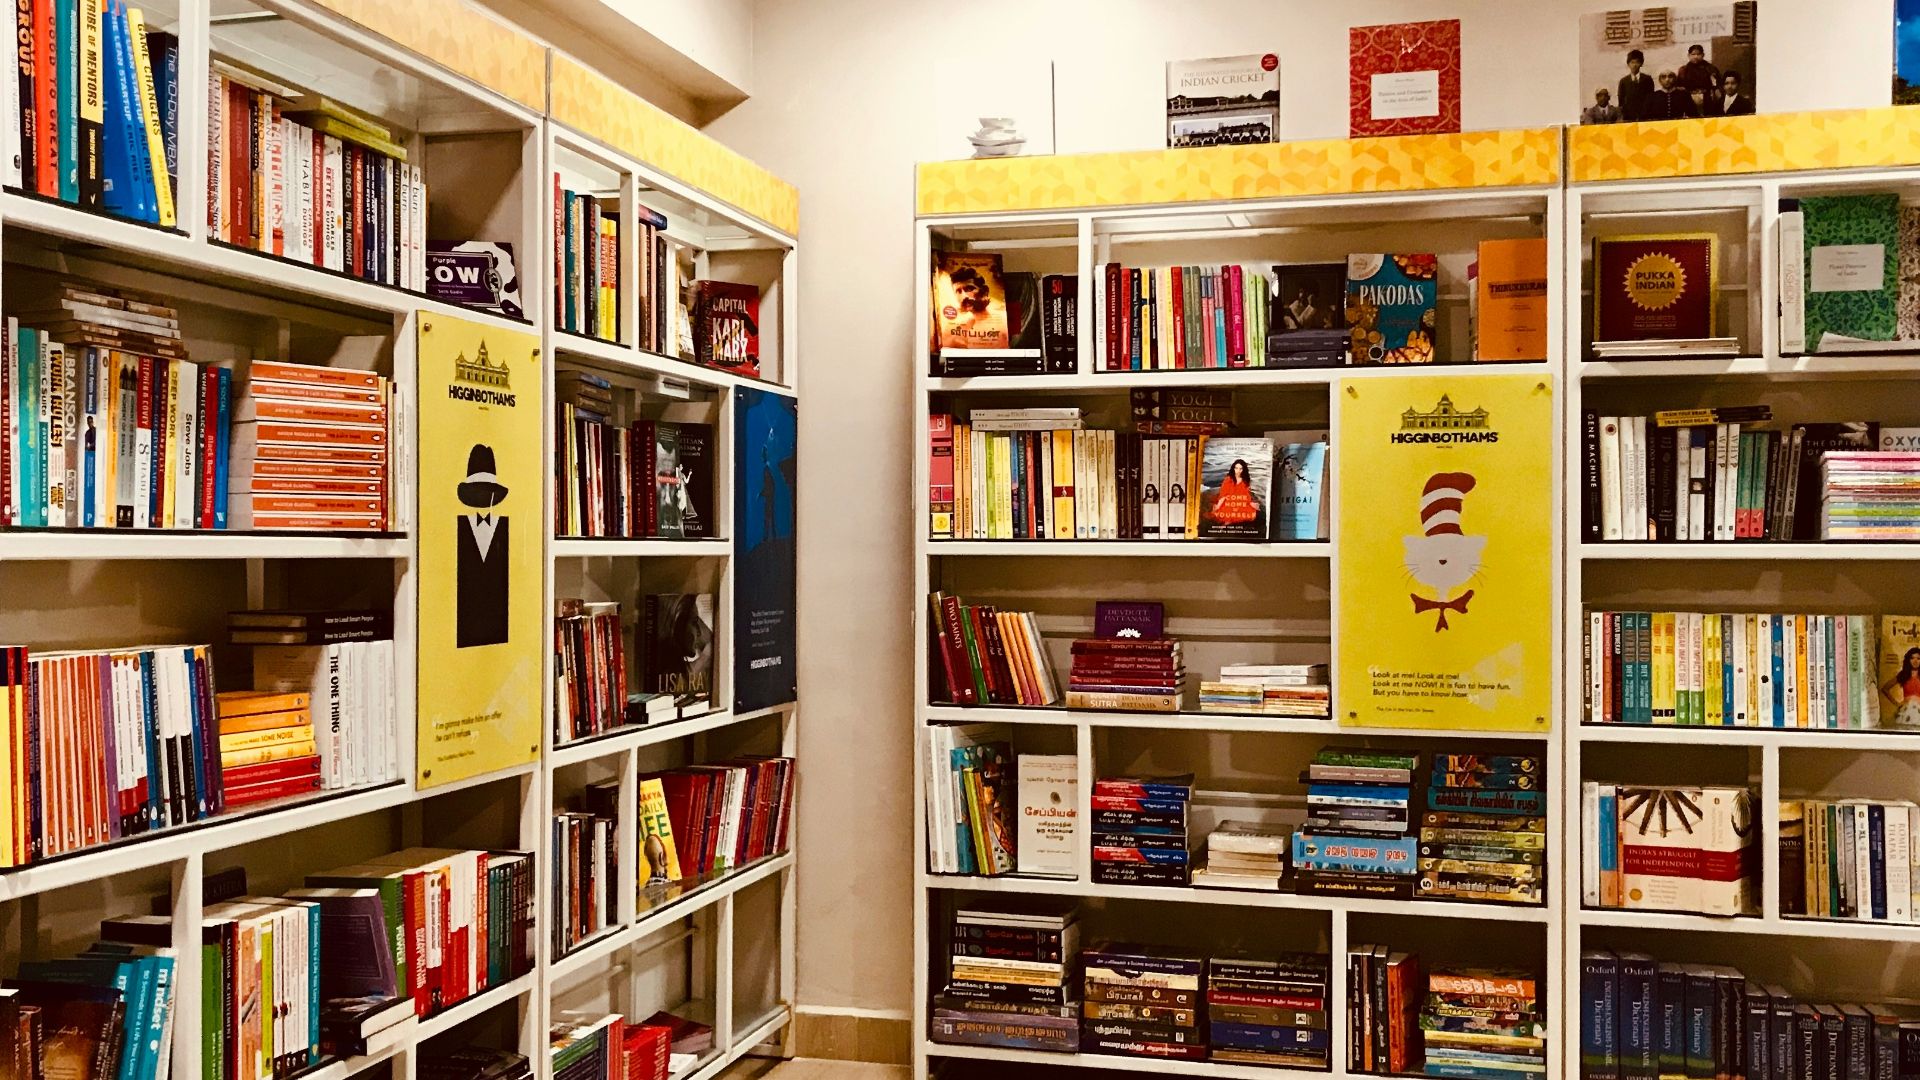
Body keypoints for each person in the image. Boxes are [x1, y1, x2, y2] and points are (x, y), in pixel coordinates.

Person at [456, 443, 511, 648]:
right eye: (476, 492)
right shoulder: (460, 526)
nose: (481, 498)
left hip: (497, 622)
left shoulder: (504, 527)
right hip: (466, 624)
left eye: (486, 492)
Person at [1209, 459, 1259, 526]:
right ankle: (1226, 523)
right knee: (1226, 514)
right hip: (1228, 500)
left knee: (1252, 514)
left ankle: (1230, 521)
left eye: (1241, 469)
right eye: (1236, 468)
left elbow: (1246, 494)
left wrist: (1250, 503)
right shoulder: (1228, 479)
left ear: (1243, 470)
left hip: (1239, 500)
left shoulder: (1245, 480)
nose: (1238, 471)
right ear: (1233, 469)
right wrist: (1218, 506)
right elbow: (1223, 494)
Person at [1676, 43, 1722, 113]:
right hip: (1689, 99)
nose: (1696, 57)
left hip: (1707, 98)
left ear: (1703, 55)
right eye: (1693, 54)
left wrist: (1715, 91)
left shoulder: (1710, 68)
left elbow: (1716, 83)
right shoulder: (1683, 70)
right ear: (1689, 55)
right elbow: (1679, 85)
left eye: (1698, 54)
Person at [1884, 646, 1920, 725]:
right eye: (1912, 658)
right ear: (1908, 660)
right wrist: (1897, 703)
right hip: (1906, 711)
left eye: (1918, 658)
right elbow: (1885, 688)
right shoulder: (1903, 675)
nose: (1915, 661)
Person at [1617, 49, 1655, 121]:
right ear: (1628, 64)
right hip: (1629, 117)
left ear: (1641, 64)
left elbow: (1651, 98)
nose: (1634, 65)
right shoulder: (1623, 81)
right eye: (1632, 62)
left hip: (1645, 116)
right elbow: (1621, 101)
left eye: (1637, 62)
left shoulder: (1647, 79)